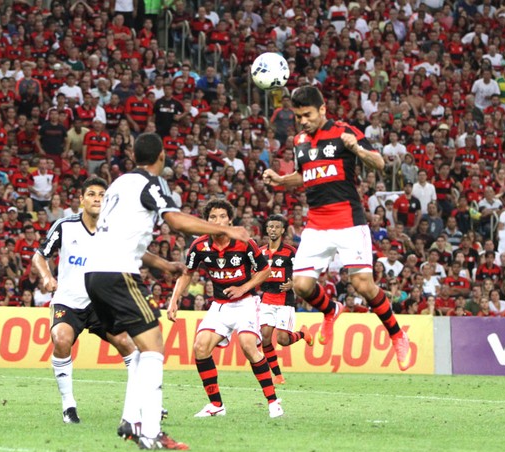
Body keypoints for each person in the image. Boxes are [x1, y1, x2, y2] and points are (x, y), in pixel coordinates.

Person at [84, 133, 249, 450]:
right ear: (161, 156)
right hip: (118, 273)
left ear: (134, 156)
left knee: (139, 348)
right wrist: (225, 228)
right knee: (154, 345)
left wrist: (163, 265)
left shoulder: (118, 185)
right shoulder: (151, 183)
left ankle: (131, 421)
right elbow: (176, 221)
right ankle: (151, 431)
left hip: (95, 274)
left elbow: (120, 236)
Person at [262, 86, 412, 371]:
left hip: (348, 220)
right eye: (298, 116)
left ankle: (397, 334)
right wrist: (281, 181)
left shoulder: (345, 132)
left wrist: (355, 148)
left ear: (322, 110)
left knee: (363, 285)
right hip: (316, 223)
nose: (303, 121)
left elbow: (379, 163)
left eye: (307, 115)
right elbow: (304, 175)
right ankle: (331, 309)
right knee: (302, 285)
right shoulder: (299, 141)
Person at [167, 199, 283, 419]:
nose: (217, 220)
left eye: (222, 216)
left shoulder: (245, 243)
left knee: (248, 346)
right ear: (206, 221)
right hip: (219, 305)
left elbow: (265, 271)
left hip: (246, 303)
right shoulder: (200, 245)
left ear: (230, 219)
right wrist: (174, 300)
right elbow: (187, 273)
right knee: (200, 347)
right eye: (212, 217)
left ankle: (273, 401)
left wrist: (243, 288)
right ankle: (216, 405)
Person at [32, 177, 134, 425]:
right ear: (81, 200)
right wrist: (46, 276)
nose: (97, 198)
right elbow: (39, 256)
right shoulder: (64, 226)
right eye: (91, 194)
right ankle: (69, 405)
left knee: (128, 344)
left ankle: (143, 401)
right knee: (62, 339)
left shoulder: (114, 230)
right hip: (68, 301)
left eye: (101, 195)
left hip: (102, 303)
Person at [259, 215, 313, 385]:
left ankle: (303, 333)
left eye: (276, 227)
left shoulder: (290, 252)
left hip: (284, 301)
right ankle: (278, 375)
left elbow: (301, 271)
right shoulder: (260, 252)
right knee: (265, 338)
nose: (273, 230)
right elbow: (254, 272)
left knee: (282, 340)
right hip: (267, 299)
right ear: (267, 230)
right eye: (270, 227)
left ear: (282, 230)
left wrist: (293, 283)